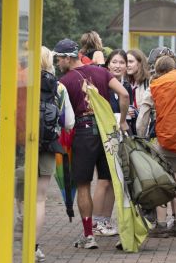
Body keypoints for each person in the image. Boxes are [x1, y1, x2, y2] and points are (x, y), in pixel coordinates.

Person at [55, 38, 129, 249]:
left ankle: (89, 235)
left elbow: (63, 117)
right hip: (108, 132)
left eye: (59, 59)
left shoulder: (64, 82)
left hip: (83, 133)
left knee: (84, 185)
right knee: (114, 180)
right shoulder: (102, 72)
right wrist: (122, 121)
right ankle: (122, 230)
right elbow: (123, 94)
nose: (58, 63)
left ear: (67, 58)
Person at [142, 47, 176, 234]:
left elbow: (144, 115)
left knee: (163, 182)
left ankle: (163, 224)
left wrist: (140, 136)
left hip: (165, 139)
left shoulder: (155, 86)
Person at [34, 46, 75, 261]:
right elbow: (69, 122)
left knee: (19, 196)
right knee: (39, 199)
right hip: (47, 147)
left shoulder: (19, 82)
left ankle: (17, 234)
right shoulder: (58, 88)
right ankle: (33, 247)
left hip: (19, 147)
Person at [91, 49, 133, 237]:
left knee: (114, 180)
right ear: (108, 65)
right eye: (114, 62)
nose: (118, 66)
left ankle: (105, 220)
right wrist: (121, 118)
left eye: (122, 62)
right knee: (104, 180)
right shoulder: (104, 85)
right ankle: (96, 221)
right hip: (105, 137)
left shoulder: (126, 86)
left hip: (119, 138)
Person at [126, 49, 150, 135]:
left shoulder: (149, 82)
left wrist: (136, 112)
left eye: (131, 61)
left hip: (144, 131)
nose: (127, 65)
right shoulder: (124, 82)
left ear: (140, 63)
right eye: (126, 62)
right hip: (129, 130)